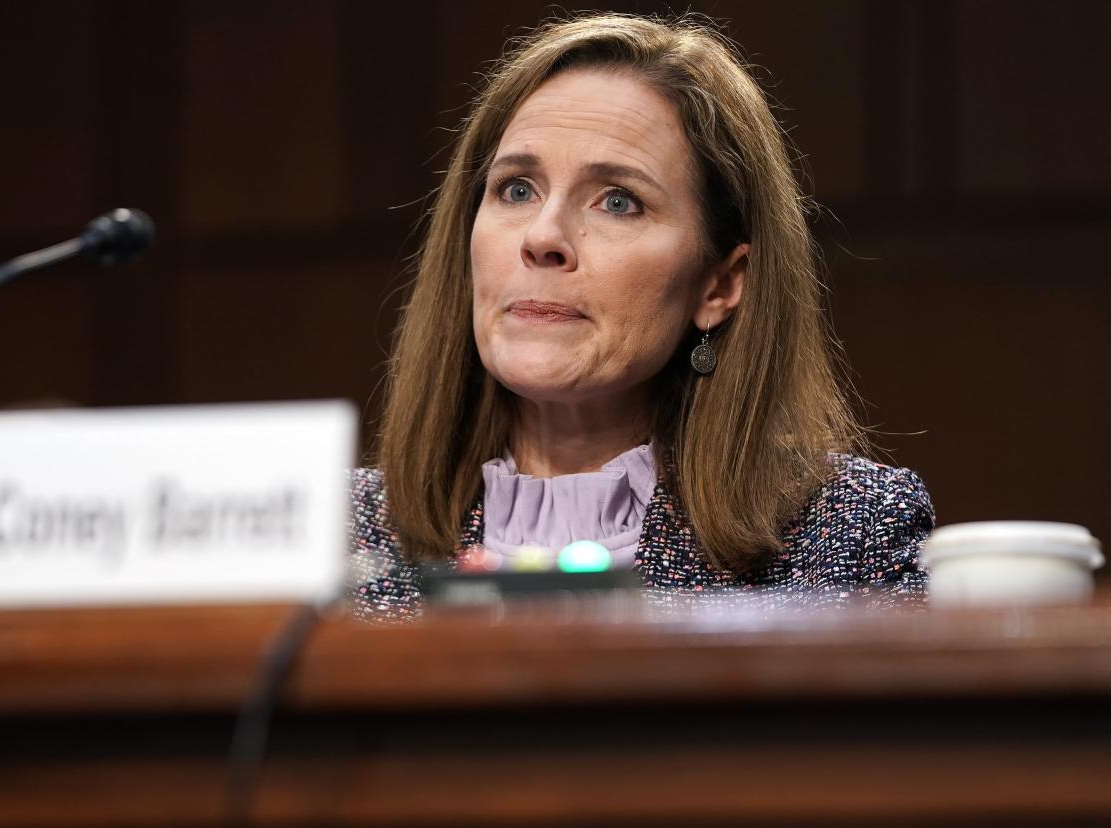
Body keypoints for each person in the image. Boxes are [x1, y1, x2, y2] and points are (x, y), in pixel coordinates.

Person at [348, 12, 933, 622]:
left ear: (720, 284)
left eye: (618, 202)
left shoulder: (845, 530)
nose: (542, 237)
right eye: (517, 189)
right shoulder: (337, 537)